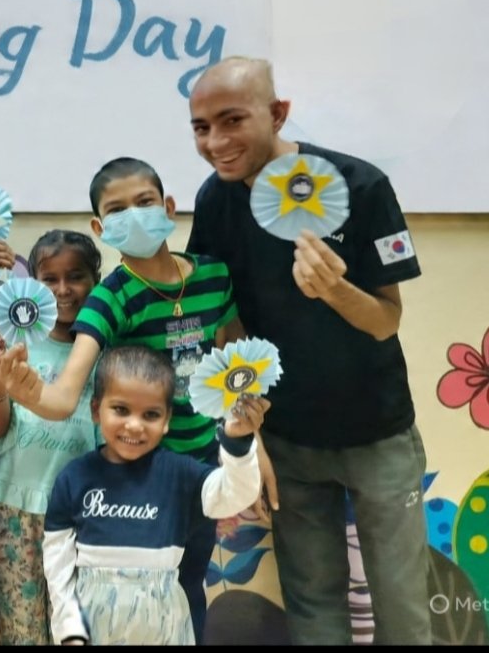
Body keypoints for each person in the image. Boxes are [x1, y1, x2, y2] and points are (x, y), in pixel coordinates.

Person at [185, 55, 431, 645]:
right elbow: (227, 320)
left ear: (277, 113)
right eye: (200, 127)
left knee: (401, 604)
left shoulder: (361, 184)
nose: (216, 142)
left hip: (378, 433)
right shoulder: (216, 201)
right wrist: (252, 439)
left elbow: (386, 321)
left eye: (232, 120)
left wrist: (335, 290)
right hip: (289, 439)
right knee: (313, 605)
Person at [0, 156, 249, 642]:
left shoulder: (214, 276)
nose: (133, 215)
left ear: (168, 207)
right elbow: (64, 397)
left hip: (202, 465)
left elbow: (237, 368)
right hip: (142, 471)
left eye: (144, 202)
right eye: (117, 210)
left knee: (189, 585)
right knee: (139, 591)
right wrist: (31, 394)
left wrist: (249, 450)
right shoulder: (109, 299)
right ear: (99, 226)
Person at [43, 344, 266, 645]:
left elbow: (234, 495)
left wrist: (238, 443)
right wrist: (68, 628)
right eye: (121, 410)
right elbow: (57, 564)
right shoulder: (74, 478)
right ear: (96, 409)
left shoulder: (181, 474)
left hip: (164, 626)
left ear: (166, 420)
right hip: (91, 624)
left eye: (150, 414)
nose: (134, 425)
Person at [0, 230, 102, 645]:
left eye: (76, 276)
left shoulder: (100, 351)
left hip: (80, 514)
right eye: (50, 279)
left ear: (96, 280)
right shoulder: (18, 342)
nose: (63, 289)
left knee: (75, 627)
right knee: (20, 628)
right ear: (33, 285)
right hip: (13, 508)